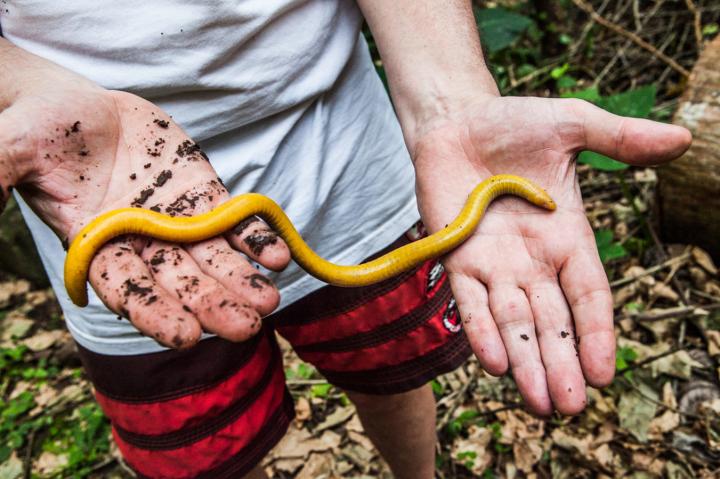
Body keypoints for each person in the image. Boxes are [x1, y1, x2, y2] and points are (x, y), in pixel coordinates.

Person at [0, 1, 691, 478]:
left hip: (351, 149)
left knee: (387, 370)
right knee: (203, 445)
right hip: (102, 197)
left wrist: (453, 93)